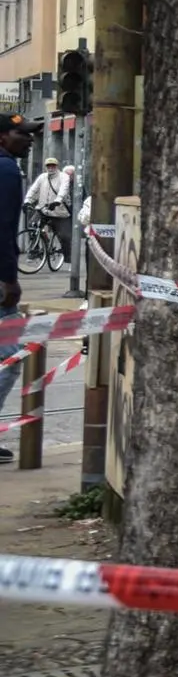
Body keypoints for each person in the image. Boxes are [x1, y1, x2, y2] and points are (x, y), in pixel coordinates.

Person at [0, 115, 34, 464]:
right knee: (8, 360)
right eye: (21, 134)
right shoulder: (7, 170)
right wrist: (9, 279)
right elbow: (4, 227)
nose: (29, 140)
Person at [23, 157, 69, 259]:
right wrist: (27, 201)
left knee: (63, 236)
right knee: (32, 225)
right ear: (46, 167)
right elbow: (33, 190)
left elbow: (64, 189)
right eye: (48, 166)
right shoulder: (42, 177)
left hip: (58, 211)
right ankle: (36, 250)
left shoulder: (64, 177)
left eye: (53, 166)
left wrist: (57, 201)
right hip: (43, 209)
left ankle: (68, 257)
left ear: (57, 166)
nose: (51, 168)